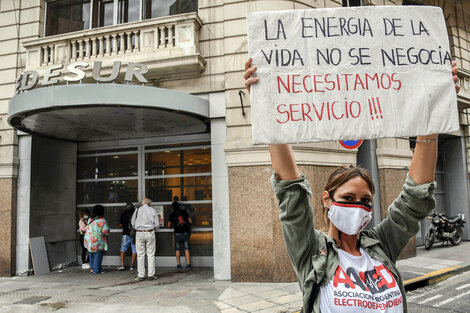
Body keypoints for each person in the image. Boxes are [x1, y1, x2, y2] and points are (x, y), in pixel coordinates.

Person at [244, 58, 460, 313]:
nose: (358, 207)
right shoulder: (312, 250)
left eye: (365, 201)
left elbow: (415, 198)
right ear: (327, 199)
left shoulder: (382, 244)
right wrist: (266, 105)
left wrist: (433, 112)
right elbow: (291, 191)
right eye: (348, 198)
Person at [131, 197, 160, 281]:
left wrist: (138, 228)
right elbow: (157, 224)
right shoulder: (152, 210)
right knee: (150, 254)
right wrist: (152, 228)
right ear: (149, 203)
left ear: (143, 203)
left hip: (139, 233)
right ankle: (151, 275)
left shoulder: (137, 210)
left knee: (140, 254)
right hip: (150, 232)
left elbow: (133, 222)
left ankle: (141, 275)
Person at [168, 196, 193, 270]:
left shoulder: (172, 214)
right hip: (185, 232)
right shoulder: (184, 212)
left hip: (177, 233)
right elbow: (190, 221)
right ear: (179, 206)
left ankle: (178, 265)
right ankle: (188, 265)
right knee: (186, 248)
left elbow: (169, 225)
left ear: (172, 207)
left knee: (177, 249)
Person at [84, 204, 110, 275]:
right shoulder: (102, 220)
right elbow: (105, 231)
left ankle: (92, 268)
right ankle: (97, 270)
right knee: (97, 255)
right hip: (97, 241)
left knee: (91, 254)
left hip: (89, 240)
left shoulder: (90, 219)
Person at [117, 202, 137, 271]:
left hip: (126, 234)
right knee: (134, 250)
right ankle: (132, 266)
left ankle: (122, 265)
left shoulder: (123, 213)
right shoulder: (136, 213)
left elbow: (120, 225)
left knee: (123, 249)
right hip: (135, 234)